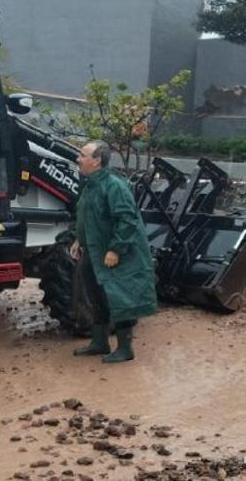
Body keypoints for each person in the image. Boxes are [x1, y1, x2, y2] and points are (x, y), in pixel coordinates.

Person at [69, 140, 157, 363]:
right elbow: (87, 216)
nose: (78, 159)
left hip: (115, 253)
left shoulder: (114, 185)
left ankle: (125, 349)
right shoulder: (90, 184)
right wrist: (79, 239)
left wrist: (115, 250)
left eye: (82, 155)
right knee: (96, 296)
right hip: (93, 250)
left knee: (120, 298)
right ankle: (100, 342)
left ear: (97, 161)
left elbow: (127, 219)